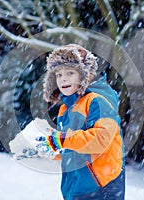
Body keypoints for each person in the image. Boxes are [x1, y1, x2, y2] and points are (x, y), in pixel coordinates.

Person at [36, 44, 125, 200]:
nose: (63, 78)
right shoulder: (66, 108)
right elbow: (74, 147)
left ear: (85, 75)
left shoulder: (98, 101)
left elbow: (101, 140)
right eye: (58, 74)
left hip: (101, 186)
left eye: (70, 72)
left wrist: (63, 140)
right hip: (76, 187)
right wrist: (54, 147)